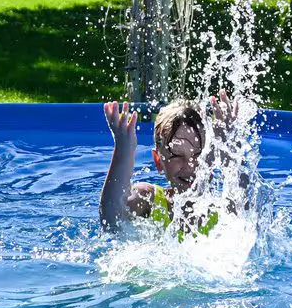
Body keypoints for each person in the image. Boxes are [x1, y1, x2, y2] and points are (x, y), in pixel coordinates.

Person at [100, 93, 237, 234]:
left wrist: (231, 150)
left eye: (198, 154)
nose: (190, 165)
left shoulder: (222, 213)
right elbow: (112, 221)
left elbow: (246, 216)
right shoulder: (148, 200)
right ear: (158, 161)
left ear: (213, 157)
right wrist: (124, 148)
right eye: (177, 155)